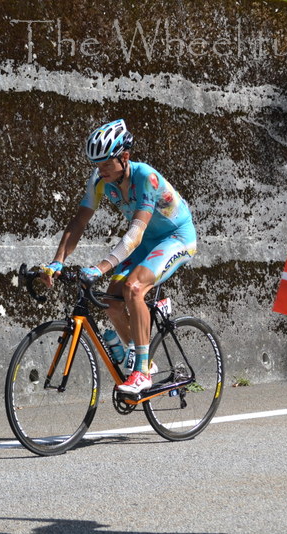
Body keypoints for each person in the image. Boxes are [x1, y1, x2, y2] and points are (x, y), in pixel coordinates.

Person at [40, 119, 197, 394]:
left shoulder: (146, 178)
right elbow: (78, 222)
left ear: (124, 157)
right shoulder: (101, 180)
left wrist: (100, 268)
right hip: (148, 242)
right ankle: (144, 361)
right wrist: (57, 261)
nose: (100, 171)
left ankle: (142, 373)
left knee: (133, 288)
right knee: (111, 302)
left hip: (176, 238)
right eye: (96, 165)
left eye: (105, 164)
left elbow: (135, 234)